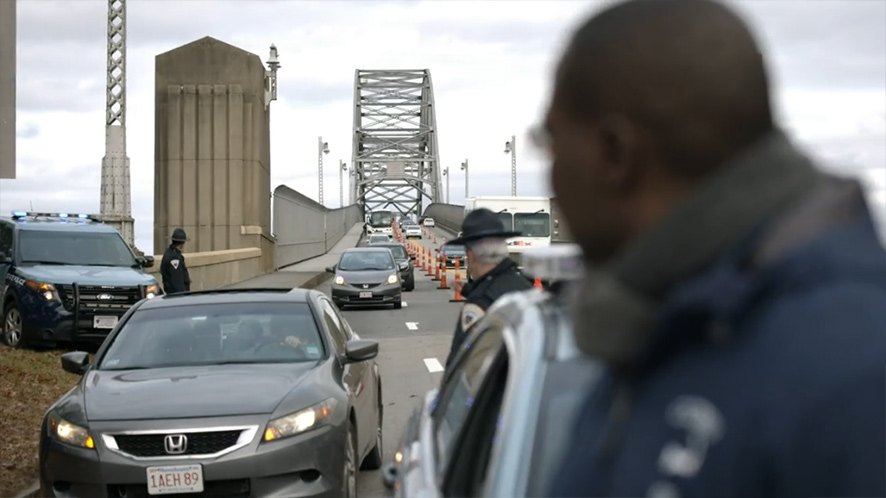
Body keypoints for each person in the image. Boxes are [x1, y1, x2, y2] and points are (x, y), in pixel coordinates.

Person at [544, 0, 886, 496]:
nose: (550, 171)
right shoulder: (666, 324)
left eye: (550, 141)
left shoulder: (853, 379)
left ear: (615, 154)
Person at [444, 208, 533, 368]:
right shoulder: (526, 289)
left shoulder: (478, 303)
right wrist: (468, 289)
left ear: (471, 255)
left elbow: (462, 365)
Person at [161, 228, 191, 294]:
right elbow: (177, 280)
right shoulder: (174, 258)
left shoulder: (169, 253)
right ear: (182, 243)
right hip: (176, 296)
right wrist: (182, 295)